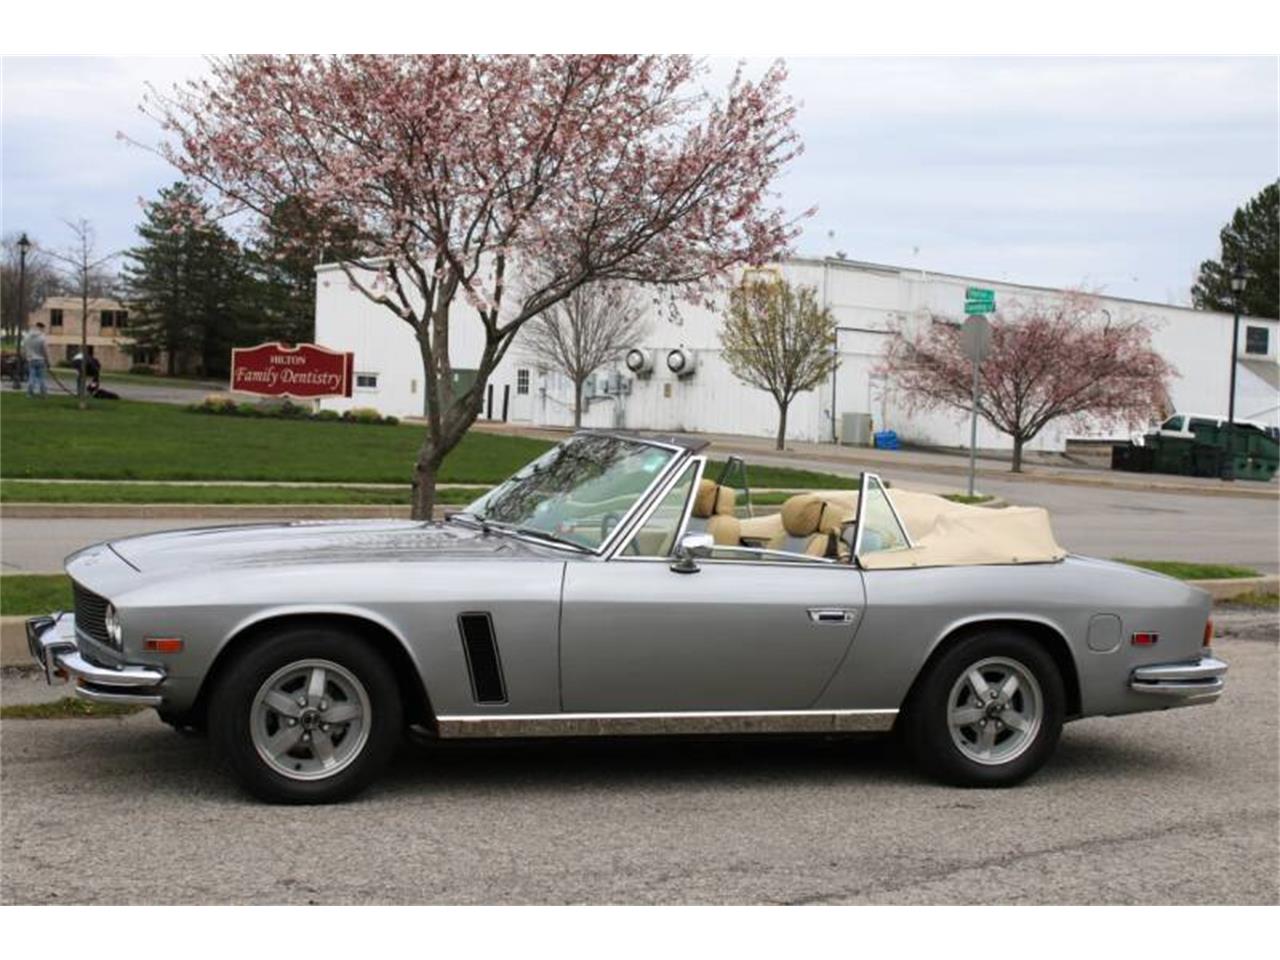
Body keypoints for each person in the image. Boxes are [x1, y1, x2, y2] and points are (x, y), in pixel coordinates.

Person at [20, 322, 50, 398]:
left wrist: (25, 356)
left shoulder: (27, 336)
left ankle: (29, 393)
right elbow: (45, 350)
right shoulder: (42, 338)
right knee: (41, 378)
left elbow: (23, 348)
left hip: (30, 359)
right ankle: (43, 394)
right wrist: (48, 361)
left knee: (31, 377)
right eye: (43, 329)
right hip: (40, 359)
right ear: (41, 328)